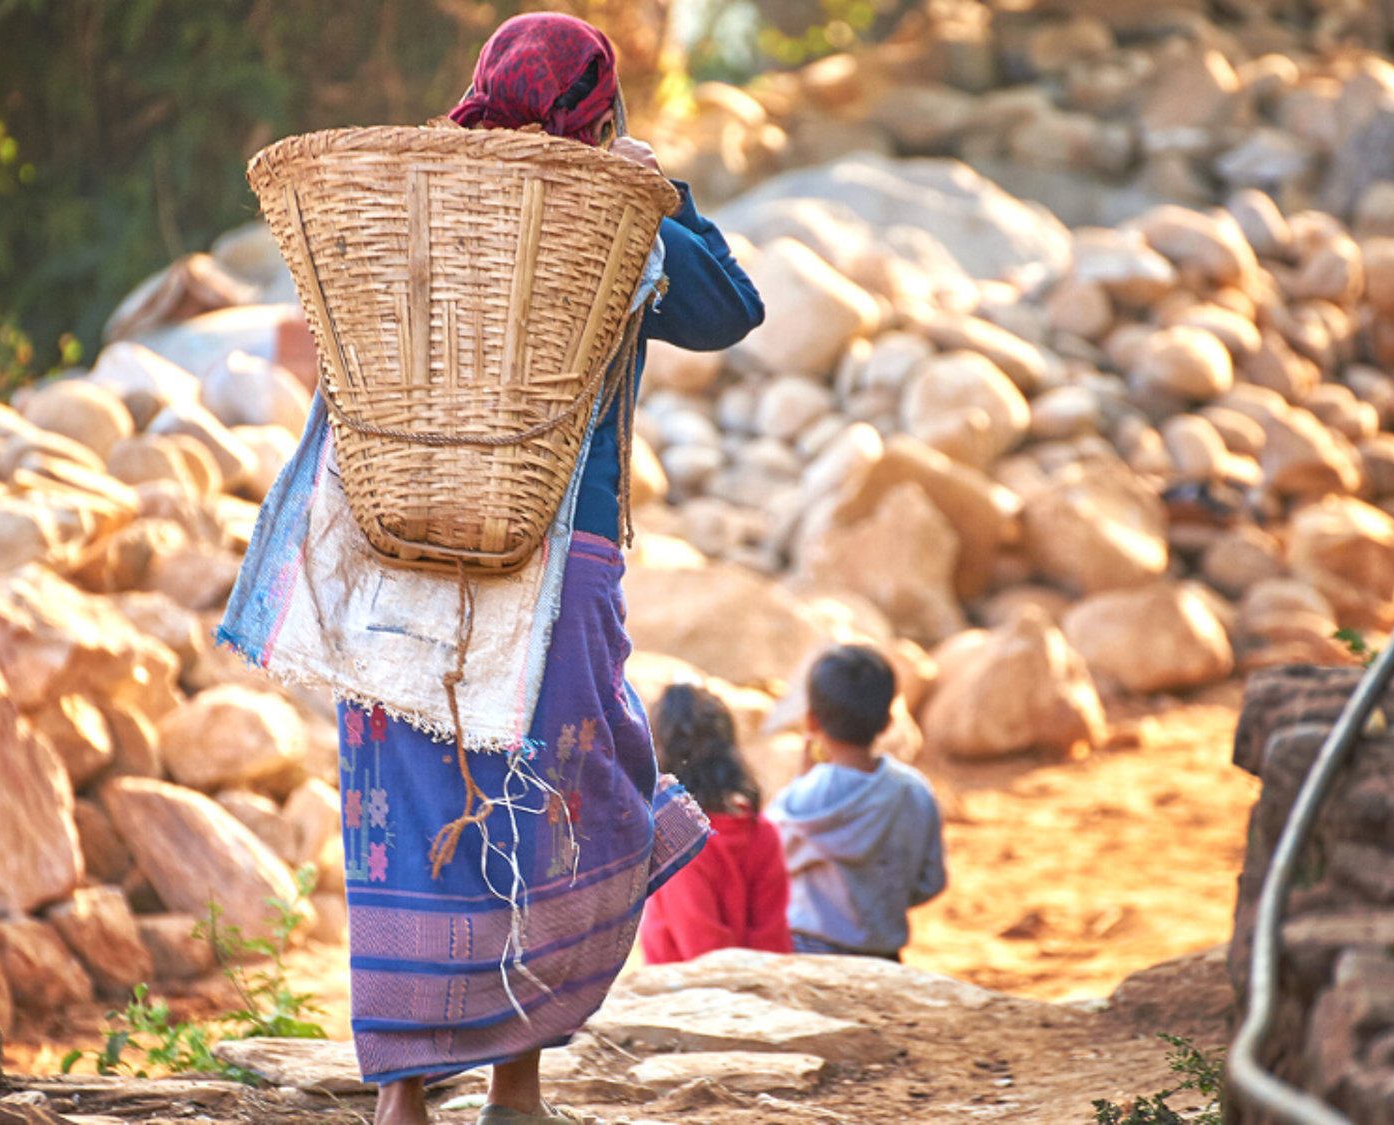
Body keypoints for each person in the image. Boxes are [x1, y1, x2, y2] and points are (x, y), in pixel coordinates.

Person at [331, 15, 766, 1125]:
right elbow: (730, 310)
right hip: (553, 559)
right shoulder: (603, 218)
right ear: (597, 107)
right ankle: (514, 1087)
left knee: (409, 806)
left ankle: (403, 1095)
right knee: (555, 801)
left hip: (400, 556)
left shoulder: (410, 195)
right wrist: (660, 189)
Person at [768, 644, 948, 961]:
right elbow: (930, 882)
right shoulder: (914, 791)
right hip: (882, 956)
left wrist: (803, 780)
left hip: (806, 951)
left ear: (811, 721)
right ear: (888, 721)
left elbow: (772, 862)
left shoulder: (799, 798)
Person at [639, 684, 792, 963]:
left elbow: (705, 959)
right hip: (765, 995)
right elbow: (774, 944)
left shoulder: (680, 846)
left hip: (685, 1001)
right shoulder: (763, 832)